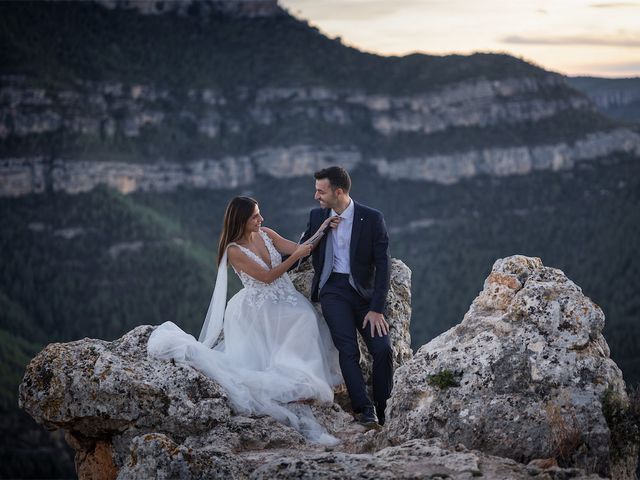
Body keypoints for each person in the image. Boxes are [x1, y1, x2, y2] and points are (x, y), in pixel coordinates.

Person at [147, 196, 342, 444]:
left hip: (284, 296)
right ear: (241, 220)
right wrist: (295, 257)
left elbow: (299, 247)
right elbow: (267, 277)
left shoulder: (267, 233)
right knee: (298, 320)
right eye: (255, 217)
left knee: (305, 317)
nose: (261, 219)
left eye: (259, 214)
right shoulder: (233, 251)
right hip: (258, 306)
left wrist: (323, 229)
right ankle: (292, 383)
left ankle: (301, 375)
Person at [300, 166, 393, 427]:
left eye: (321, 191)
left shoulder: (372, 218)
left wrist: (377, 308)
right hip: (333, 291)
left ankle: (386, 408)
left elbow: (383, 264)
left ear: (338, 192)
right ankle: (365, 410)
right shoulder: (317, 215)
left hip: (364, 296)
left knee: (383, 349)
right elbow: (303, 249)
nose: (316, 195)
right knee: (348, 349)